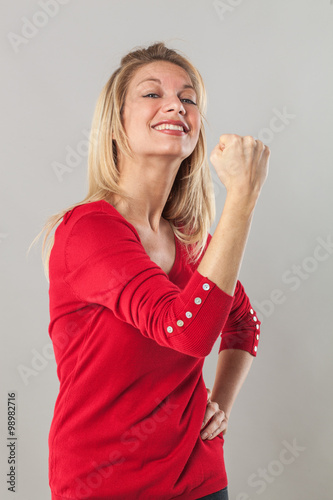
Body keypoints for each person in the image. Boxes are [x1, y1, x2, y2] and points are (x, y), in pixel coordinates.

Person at [31, 42, 270, 500]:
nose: (175, 105)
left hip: (199, 478)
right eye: (151, 93)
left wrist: (218, 404)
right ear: (116, 126)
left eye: (189, 97)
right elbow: (187, 330)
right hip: (104, 485)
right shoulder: (89, 230)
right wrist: (242, 198)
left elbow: (245, 324)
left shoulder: (190, 239)